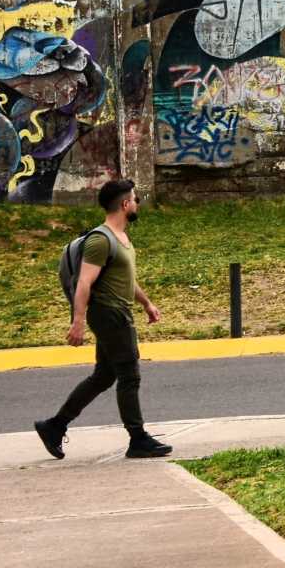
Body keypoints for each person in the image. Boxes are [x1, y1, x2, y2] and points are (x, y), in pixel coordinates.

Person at [34, 179, 172, 459]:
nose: (137, 203)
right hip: (109, 313)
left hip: (117, 310)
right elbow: (84, 283)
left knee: (104, 376)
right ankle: (137, 439)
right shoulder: (100, 240)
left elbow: (125, 279)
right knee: (129, 375)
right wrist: (78, 321)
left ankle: (54, 426)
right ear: (124, 204)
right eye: (135, 199)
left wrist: (146, 303)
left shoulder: (121, 238)